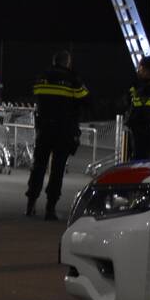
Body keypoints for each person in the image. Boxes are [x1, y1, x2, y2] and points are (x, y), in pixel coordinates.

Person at [26, 50, 89, 221]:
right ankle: (50, 208)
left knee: (38, 166)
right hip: (64, 130)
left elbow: (36, 95)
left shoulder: (42, 77)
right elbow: (86, 100)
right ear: (67, 63)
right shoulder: (73, 80)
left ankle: (30, 203)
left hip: (44, 128)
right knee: (57, 170)